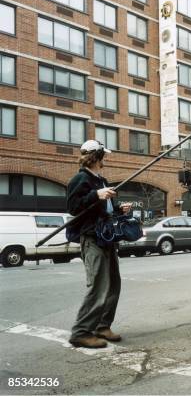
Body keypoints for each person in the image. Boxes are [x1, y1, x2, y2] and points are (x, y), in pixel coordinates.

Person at [66, 140, 132, 348]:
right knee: (98, 285)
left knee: (113, 283)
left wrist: (119, 208)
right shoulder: (81, 179)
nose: (106, 160)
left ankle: (102, 326)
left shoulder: (101, 180)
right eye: (104, 156)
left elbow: (104, 209)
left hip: (107, 237)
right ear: (97, 157)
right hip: (92, 238)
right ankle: (81, 331)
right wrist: (95, 195)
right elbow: (73, 207)